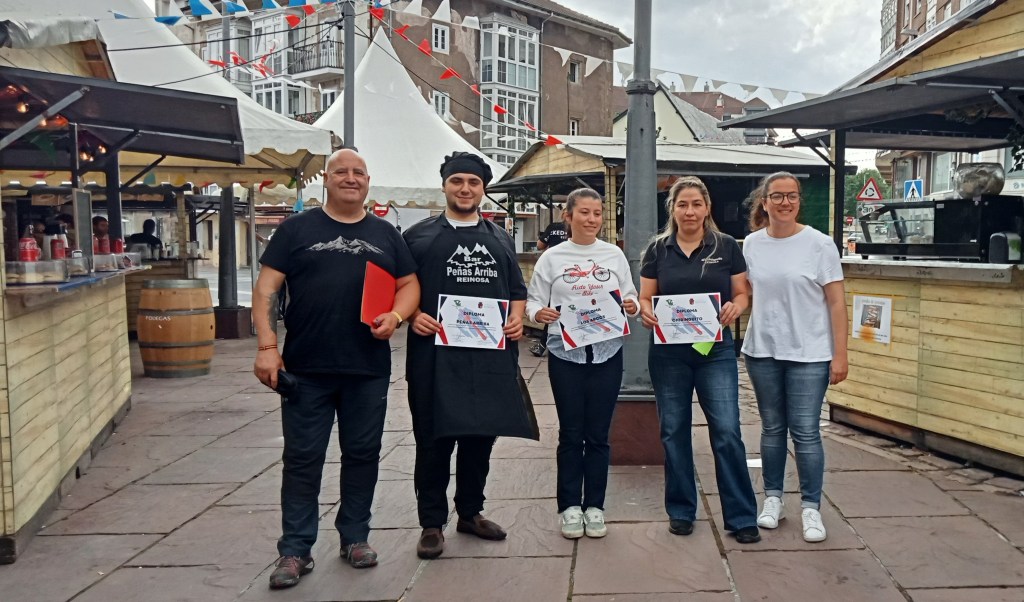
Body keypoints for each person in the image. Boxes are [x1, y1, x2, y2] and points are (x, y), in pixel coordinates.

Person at [252, 148, 420, 589]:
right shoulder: (295, 230)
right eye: (341, 171)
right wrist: (268, 346)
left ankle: (355, 537)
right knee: (302, 458)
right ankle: (295, 549)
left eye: (358, 172)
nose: (350, 178)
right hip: (306, 367)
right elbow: (267, 287)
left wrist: (397, 317)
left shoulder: (386, 234)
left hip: (366, 368)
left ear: (368, 180)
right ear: (325, 179)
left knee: (362, 455)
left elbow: (409, 285)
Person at [403, 151, 539, 560]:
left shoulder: (498, 237)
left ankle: (470, 512)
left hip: (489, 359)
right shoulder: (418, 237)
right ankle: (431, 522)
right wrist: (413, 315)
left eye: (474, 183)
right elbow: (400, 288)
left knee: (481, 438)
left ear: (483, 189)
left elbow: (516, 291)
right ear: (444, 185)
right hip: (434, 359)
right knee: (433, 441)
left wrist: (516, 320)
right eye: (457, 181)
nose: (465, 189)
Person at [638, 176, 761, 544]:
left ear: (706, 207)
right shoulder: (657, 250)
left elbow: (743, 293)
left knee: (726, 431)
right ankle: (681, 510)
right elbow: (647, 297)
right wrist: (646, 312)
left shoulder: (725, 246)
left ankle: (741, 516)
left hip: (715, 351)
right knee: (674, 431)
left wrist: (734, 307)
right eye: (682, 205)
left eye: (696, 204)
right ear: (672, 210)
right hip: (669, 353)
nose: (689, 211)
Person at [741, 171, 848, 543]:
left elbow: (836, 303)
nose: (785, 202)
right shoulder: (751, 245)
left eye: (792, 196)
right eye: (777, 196)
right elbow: (742, 295)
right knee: (771, 429)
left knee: (805, 431)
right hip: (763, 350)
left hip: (809, 353)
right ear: (765, 202)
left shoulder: (819, 245)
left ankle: (810, 507)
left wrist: (840, 355)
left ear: (798, 201)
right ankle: (772, 499)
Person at [525, 188, 638, 539]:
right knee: (571, 433)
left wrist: (632, 304)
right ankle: (570, 506)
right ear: (568, 216)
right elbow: (532, 303)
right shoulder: (552, 258)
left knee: (599, 435)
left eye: (597, 213)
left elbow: (629, 293)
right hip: (565, 354)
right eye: (584, 213)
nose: (591, 219)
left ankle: (596, 506)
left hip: (606, 353)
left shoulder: (613, 255)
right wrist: (538, 313)